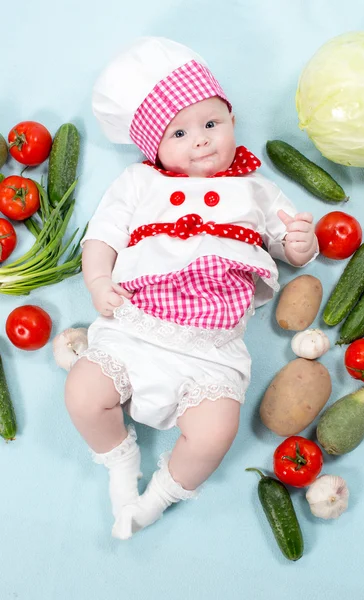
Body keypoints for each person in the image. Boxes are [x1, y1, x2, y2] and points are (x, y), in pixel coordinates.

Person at [64, 37, 318, 540]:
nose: (200, 139)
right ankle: (120, 463)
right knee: (82, 394)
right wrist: (97, 282)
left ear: (231, 120)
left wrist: (299, 243)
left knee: (215, 433)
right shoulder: (141, 182)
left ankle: (157, 497)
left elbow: (290, 253)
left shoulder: (256, 188)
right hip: (136, 324)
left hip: (212, 348)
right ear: (153, 147)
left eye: (210, 123)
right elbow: (103, 237)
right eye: (178, 132)